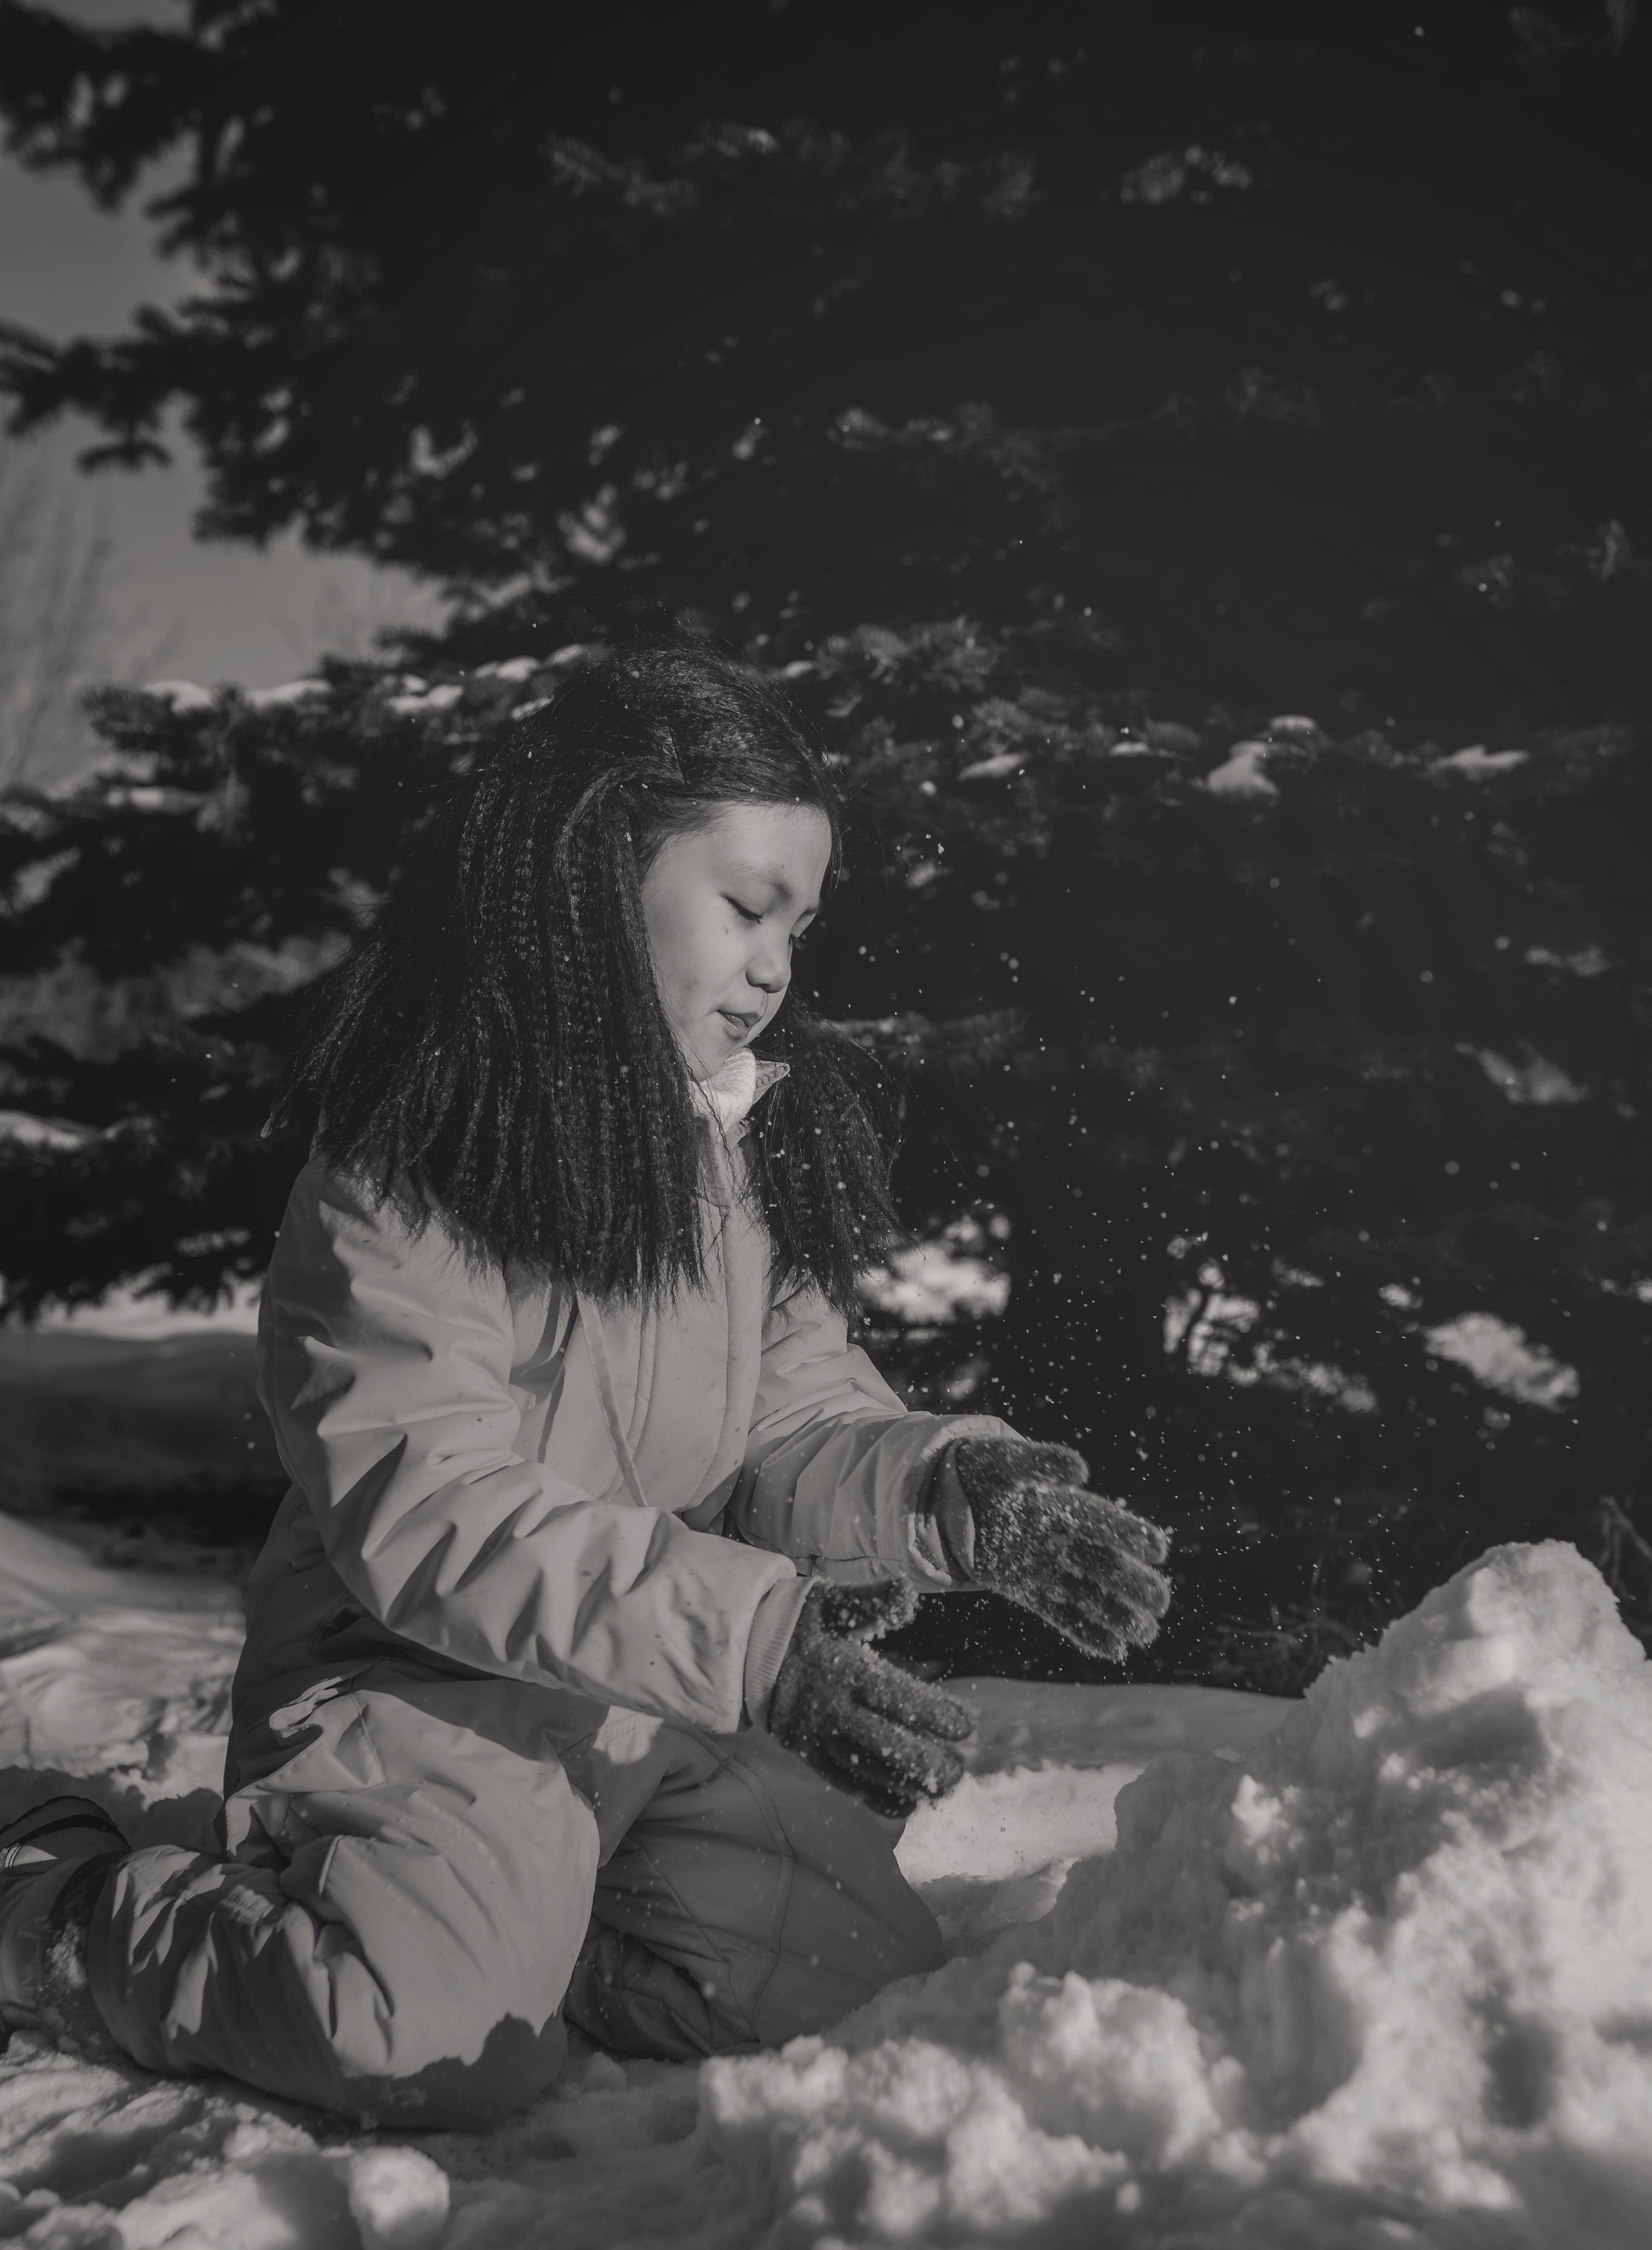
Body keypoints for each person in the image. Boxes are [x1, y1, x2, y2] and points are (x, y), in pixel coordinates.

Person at [0, 641, 1170, 2129]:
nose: (775, 967)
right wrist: (752, 1646)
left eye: (799, 926)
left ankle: (518, 1908)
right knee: (413, 2037)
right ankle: (58, 1892)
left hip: (641, 1694)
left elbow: (794, 1422)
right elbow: (430, 1510)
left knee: (841, 1968)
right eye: (746, 908)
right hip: (421, 1684)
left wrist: (944, 1488)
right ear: (590, 873)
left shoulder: (741, 1156)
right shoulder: (409, 1167)